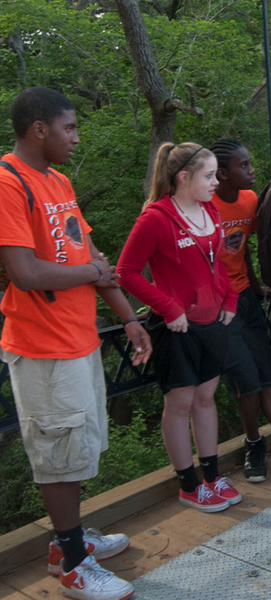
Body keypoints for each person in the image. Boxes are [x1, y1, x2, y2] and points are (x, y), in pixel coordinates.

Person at [0, 87, 151, 600]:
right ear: (39, 129)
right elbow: (23, 272)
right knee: (56, 452)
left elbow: (90, 255)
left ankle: (67, 541)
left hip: (79, 339)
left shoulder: (58, 180)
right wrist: (91, 271)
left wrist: (128, 317)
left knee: (76, 450)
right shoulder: (8, 181)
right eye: (69, 127)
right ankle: (71, 563)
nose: (76, 137)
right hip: (42, 349)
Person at [118, 142, 243, 513]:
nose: (215, 183)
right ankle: (188, 484)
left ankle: (211, 474)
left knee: (206, 399)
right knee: (180, 403)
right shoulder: (155, 218)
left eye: (216, 175)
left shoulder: (210, 210)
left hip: (211, 323)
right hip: (175, 328)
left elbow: (217, 264)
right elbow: (126, 272)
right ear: (183, 177)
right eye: (208, 176)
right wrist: (168, 307)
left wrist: (230, 297)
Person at [209, 138, 271, 483]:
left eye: (250, 163)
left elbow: (244, 248)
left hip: (246, 298)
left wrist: (256, 283)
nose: (252, 171)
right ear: (221, 174)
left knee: (264, 374)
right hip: (220, 307)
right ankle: (253, 443)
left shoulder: (249, 201)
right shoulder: (207, 205)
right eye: (244, 166)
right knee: (246, 382)